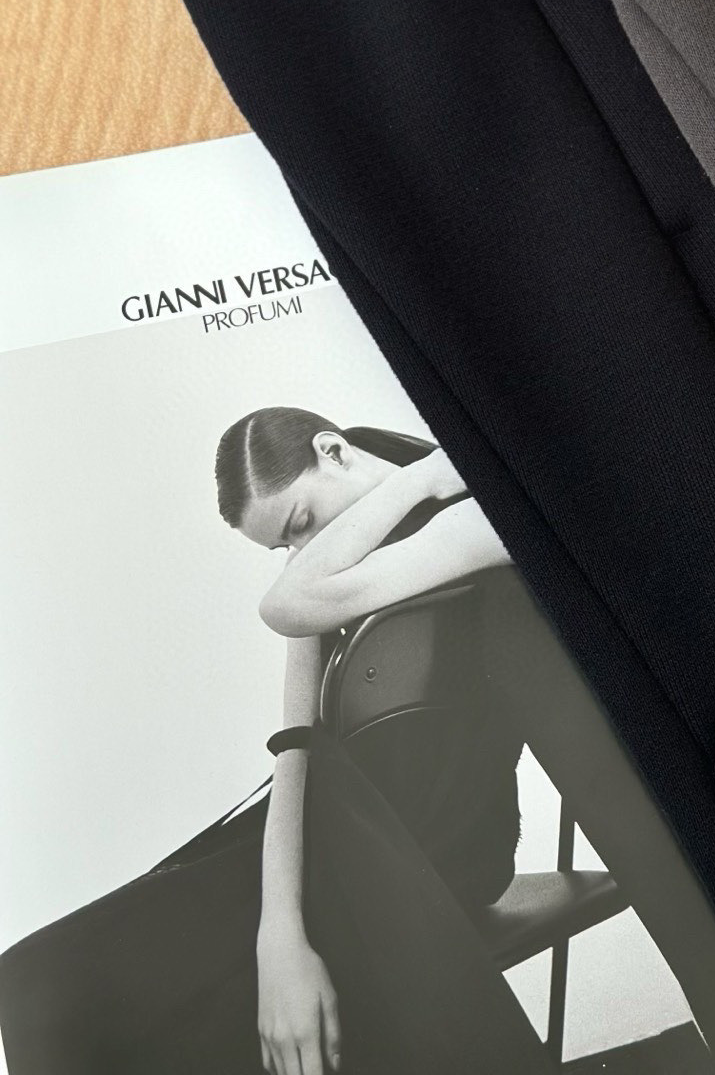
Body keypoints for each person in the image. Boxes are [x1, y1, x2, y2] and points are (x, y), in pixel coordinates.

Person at [0, 411, 532, 1075]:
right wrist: (277, 937)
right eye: (282, 545)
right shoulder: (319, 571)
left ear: (334, 450)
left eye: (301, 522)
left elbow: (286, 603)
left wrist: (422, 480)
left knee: (111, 1014)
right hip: (332, 834)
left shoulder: (469, 517)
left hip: (437, 848)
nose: (299, 552)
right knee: (32, 984)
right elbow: (296, 748)